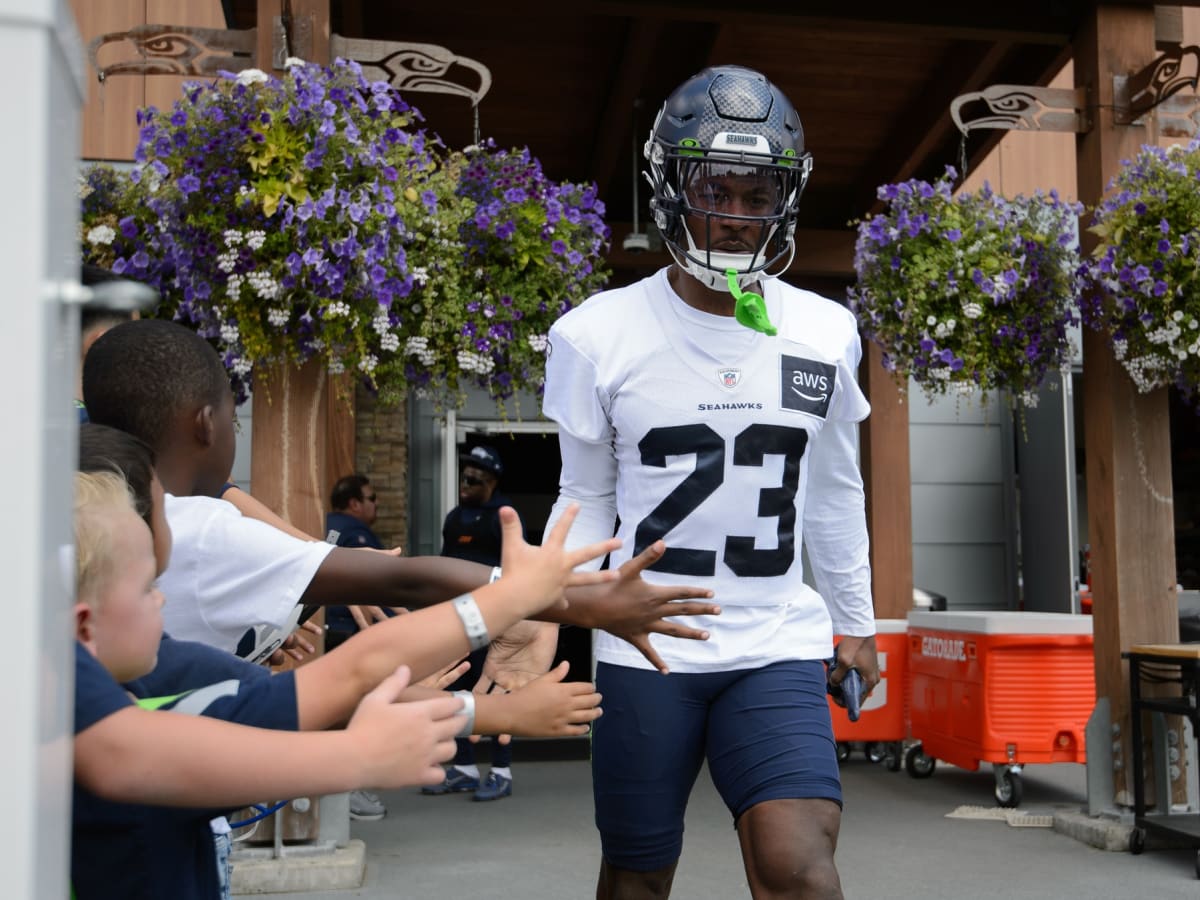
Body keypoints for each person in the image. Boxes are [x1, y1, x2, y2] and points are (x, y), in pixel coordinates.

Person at [541, 65, 880, 900]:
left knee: (800, 868)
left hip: (774, 638)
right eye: (714, 188)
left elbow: (833, 491)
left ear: (785, 201)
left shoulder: (826, 330)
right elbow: (584, 499)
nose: (734, 216)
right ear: (668, 189)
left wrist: (857, 623)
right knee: (637, 877)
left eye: (756, 194)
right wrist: (541, 608)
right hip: (645, 642)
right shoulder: (595, 334)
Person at [71, 455, 613, 900]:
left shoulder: (152, 676)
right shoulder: (90, 722)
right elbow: (127, 757)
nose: (161, 599)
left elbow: (330, 685)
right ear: (83, 625)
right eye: (146, 587)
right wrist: (361, 755)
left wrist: (495, 665)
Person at [80, 318, 720, 670]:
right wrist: (579, 604)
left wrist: (302, 552)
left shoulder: (102, 514)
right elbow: (412, 582)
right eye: (234, 414)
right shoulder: (206, 534)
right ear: (206, 423)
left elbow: (224, 495)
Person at [425, 444, 516, 801]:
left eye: (474, 478)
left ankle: (501, 770)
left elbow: (515, 571)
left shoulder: (502, 516)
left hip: (494, 619)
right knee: (458, 691)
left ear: (491, 481)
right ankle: (463, 768)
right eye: (463, 477)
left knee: (496, 691)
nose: (466, 483)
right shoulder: (454, 518)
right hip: (458, 620)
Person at [324, 472, 395, 821]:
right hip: (347, 635)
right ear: (354, 503)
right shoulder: (359, 534)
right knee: (351, 713)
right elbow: (381, 586)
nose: (375, 504)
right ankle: (347, 792)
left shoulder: (322, 524)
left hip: (317, 633)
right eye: (371, 498)